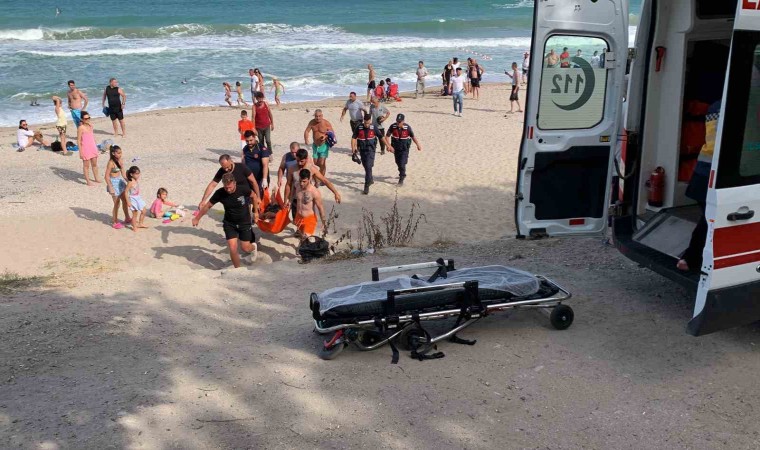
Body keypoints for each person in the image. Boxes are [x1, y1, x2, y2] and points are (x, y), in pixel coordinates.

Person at [678, 100, 721, 272]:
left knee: (708, 219)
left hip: (702, 174)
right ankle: (692, 259)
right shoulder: (740, 106)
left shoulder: (715, 106)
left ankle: (691, 258)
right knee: (710, 221)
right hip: (713, 176)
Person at [193, 172, 259, 268]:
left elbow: (254, 196)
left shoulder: (243, 189)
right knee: (232, 248)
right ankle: (238, 270)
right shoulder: (220, 193)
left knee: (245, 247)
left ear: (234, 183)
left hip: (244, 222)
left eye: (230, 187)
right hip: (229, 223)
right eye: (226, 187)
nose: (228, 190)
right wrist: (197, 218)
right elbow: (208, 206)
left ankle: (253, 247)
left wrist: (256, 212)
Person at [284, 149, 341, 219]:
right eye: (297, 160)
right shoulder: (292, 169)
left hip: (308, 197)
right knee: (296, 219)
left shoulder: (311, 169)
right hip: (296, 197)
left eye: (302, 161)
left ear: (306, 159)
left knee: (309, 217)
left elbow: (324, 180)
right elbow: (288, 184)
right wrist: (285, 200)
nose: (299, 163)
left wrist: (336, 193)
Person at [385, 114, 422, 186]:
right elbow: (387, 137)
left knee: (402, 163)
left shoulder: (407, 127)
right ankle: (402, 173)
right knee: (398, 162)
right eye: (397, 121)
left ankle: (401, 178)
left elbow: (413, 137)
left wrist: (418, 144)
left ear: (403, 121)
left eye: (400, 122)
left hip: (404, 148)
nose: (398, 123)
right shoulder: (393, 126)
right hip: (395, 148)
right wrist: (389, 146)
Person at [290, 168, 325, 239]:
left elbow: (320, 208)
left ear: (309, 179)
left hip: (309, 218)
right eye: (300, 181)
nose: (301, 183)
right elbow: (292, 191)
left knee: (306, 238)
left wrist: (324, 223)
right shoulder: (297, 186)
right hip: (299, 217)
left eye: (304, 181)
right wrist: (289, 202)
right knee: (301, 237)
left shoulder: (314, 192)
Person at [352, 113, 379, 195]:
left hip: (371, 150)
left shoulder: (374, 127)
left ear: (370, 121)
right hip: (362, 150)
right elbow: (354, 138)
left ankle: (366, 185)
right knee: (366, 166)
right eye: (365, 123)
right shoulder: (359, 127)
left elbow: (381, 137)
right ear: (363, 121)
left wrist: (388, 146)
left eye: (368, 123)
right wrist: (353, 149)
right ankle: (370, 179)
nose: (366, 125)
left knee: (368, 166)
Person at [104, 145, 131, 229]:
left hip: (120, 182)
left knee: (125, 201)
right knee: (117, 204)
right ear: (113, 153)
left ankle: (127, 217)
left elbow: (123, 173)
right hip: (113, 183)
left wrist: (128, 181)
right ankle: (115, 222)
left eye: (121, 153)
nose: (120, 154)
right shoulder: (111, 163)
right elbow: (106, 176)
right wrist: (110, 187)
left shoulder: (120, 160)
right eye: (118, 153)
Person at [303, 109, 334, 178]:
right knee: (316, 163)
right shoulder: (312, 122)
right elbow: (307, 131)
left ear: (322, 116)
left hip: (324, 145)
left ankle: (322, 178)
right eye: (316, 116)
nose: (318, 118)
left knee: (322, 163)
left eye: (319, 116)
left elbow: (332, 133)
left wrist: (325, 136)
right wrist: (306, 139)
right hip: (315, 145)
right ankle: (319, 175)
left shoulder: (326, 123)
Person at [241, 130, 271, 195]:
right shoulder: (245, 148)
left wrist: (264, 179)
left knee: (261, 196)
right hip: (250, 178)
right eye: (247, 141)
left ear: (254, 137)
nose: (249, 143)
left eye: (251, 140)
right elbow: (243, 163)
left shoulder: (262, 148)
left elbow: (265, 165)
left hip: (260, 178)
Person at [76, 111, 101, 186]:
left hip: (92, 147)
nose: (87, 120)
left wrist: (96, 146)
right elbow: (78, 140)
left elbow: (92, 137)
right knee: (86, 166)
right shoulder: (80, 128)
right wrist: (80, 152)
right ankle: (88, 181)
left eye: (88, 118)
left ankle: (96, 178)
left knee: (94, 164)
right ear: (82, 119)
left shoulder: (91, 126)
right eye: (85, 118)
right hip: (85, 148)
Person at [125, 166, 148, 232]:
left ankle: (140, 223)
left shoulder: (135, 180)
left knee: (144, 211)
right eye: (136, 174)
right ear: (131, 174)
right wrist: (128, 202)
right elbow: (126, 192)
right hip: (133, 199)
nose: (138, 175)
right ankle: (134, 226)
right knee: (135, 214)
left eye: (139, 173)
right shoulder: (130, 182)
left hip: (138, 197)